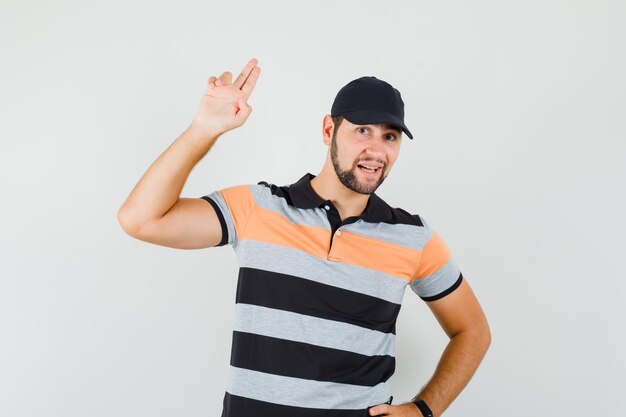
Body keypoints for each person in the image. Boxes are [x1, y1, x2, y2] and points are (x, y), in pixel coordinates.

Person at [117, 57, 491, 417]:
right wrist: (204, 128)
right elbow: (141, 219)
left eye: (389, 136)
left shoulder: (412, 236)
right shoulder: (258, 207)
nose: (376, 151)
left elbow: (473, 330)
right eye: (362, 130)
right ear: (329, 130)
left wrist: (425, 409)